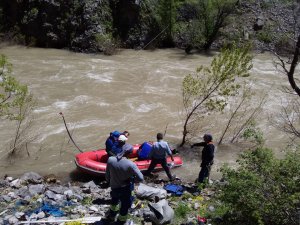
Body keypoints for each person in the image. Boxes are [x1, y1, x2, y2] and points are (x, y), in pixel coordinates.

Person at [105, 143, 144, 225]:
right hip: (125, 188)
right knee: (125, 205)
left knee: (114, 201)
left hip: (114, 186)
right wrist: (132, 180)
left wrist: (109, 181)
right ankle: (121, 221)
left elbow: (107, 175)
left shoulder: (111, 160)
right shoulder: (130, 164)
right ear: (130, 153)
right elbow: (141, 178)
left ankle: (112, 215)